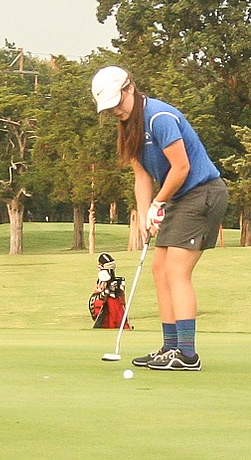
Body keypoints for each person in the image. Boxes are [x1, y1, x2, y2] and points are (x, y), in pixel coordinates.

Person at [91, 65, 228, 372]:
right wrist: (144, 215)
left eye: (117, 102)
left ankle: (188, 354)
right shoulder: (131, 126)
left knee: (176, 269)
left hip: (202, 192)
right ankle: (170, 347)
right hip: (179, 197)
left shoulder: (159, 117)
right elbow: (142, 175)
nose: (114, 110)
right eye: (109, 107)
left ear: (130, 88)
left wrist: (159, 202)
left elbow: (181, 168)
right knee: (158, 268)